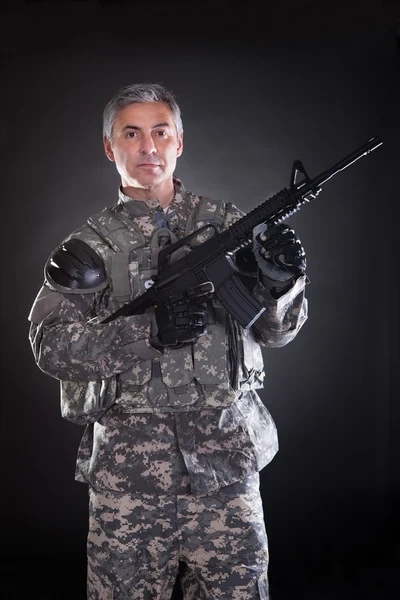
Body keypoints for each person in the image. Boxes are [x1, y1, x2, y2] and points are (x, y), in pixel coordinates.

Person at [28, 82, 308, 600]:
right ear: (110, 148)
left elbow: (276, 332)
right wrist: (143, 333)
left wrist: (281, 288)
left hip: (227, 473)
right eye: (131, 134)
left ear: (180, 142)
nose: (148, 147)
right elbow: (49, 344)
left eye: (160, 132)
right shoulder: (88, 247)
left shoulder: (229, 226)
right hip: (128, 480)